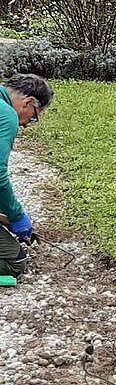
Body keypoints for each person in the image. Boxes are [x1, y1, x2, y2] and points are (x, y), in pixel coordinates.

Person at [0, 74, 53, 277]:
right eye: (33, 117)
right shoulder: (6, 115)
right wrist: (16, 215)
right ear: (28, 102)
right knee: (15, 262)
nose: (25, 125)